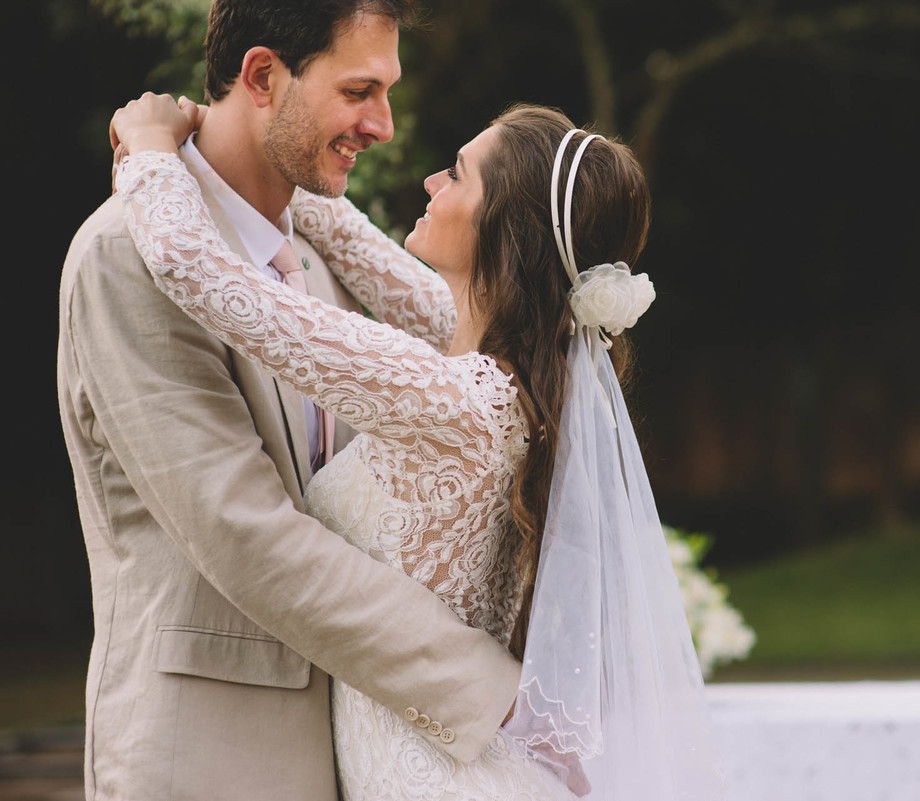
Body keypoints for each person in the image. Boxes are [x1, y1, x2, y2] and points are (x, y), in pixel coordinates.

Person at [109, 90, 725, 798]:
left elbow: (198, 272)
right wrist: (235, 133)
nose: (432, 182)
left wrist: (150, 147)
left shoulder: (448, 398)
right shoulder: (516, 368)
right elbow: (351, 239)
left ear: (502, 232)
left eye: (457, 174)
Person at [57, 3, 521, 800]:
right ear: (264, 75)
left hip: (358, 752)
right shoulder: (126, 255)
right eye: (358, 92)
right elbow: (244, 531)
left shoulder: (318, 251)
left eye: (386, 92)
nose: (382, 126)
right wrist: (486, 685)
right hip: (207, 755)